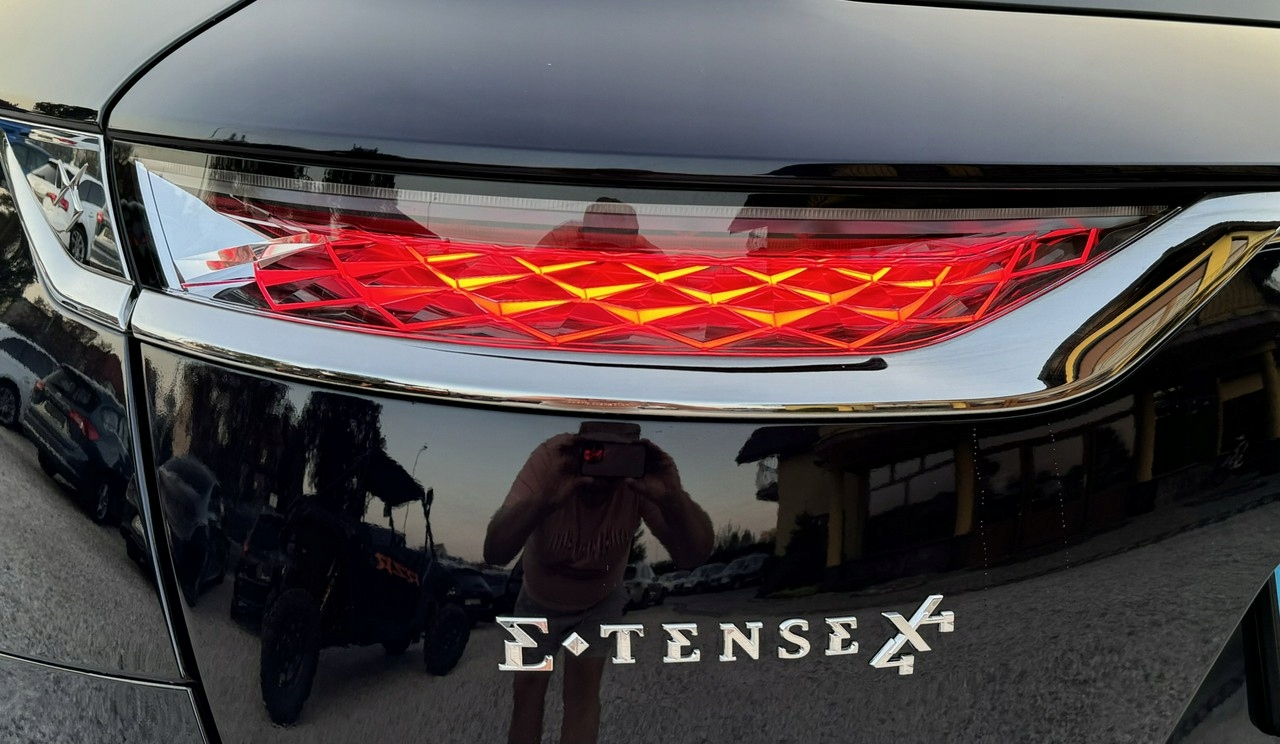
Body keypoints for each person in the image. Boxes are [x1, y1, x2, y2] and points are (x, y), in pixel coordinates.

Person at [484, 429, 713, 744]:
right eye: (594, 457)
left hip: (598, 603)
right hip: (537, 599)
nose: (600, 480)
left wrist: (673, 498)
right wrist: (543, 500)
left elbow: (693, 555)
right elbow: (495, 552)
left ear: (631, 456)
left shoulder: (640, 477)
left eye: (615, 463)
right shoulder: (551, 458)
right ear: (578, 446)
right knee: (527, 692)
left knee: (582, 694)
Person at [536, 197, 663, 254]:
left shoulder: (647, 253)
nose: (608, 252)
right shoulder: (560, 241)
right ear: (583, 232)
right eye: (600, 242)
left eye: (616, 245)